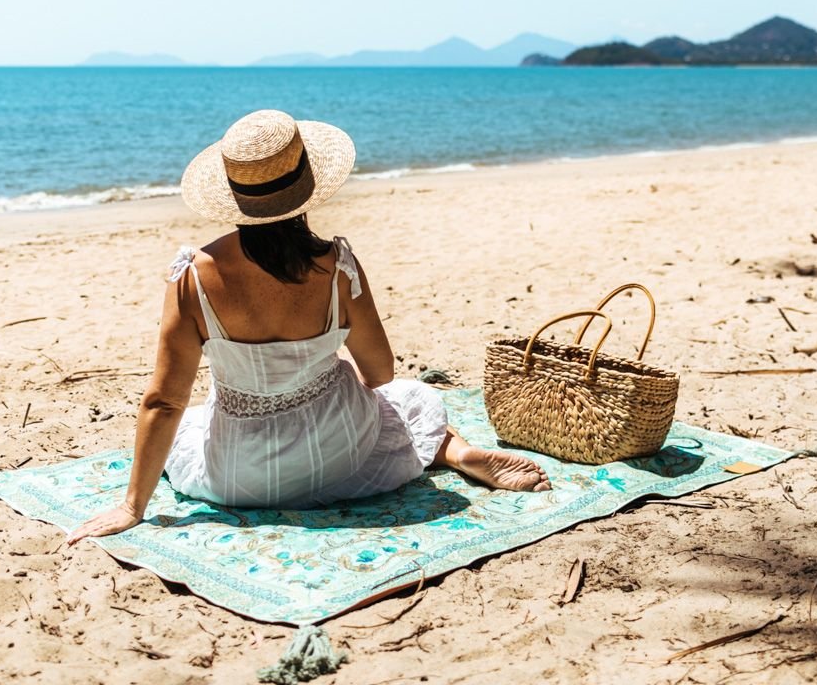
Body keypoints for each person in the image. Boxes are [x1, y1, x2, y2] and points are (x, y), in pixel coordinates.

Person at [67, 110, 549, 545]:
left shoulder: (193, 275)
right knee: (408, 400)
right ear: (307, 185)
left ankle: (448, 450)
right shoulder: (337, 266)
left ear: (235, 195)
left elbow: (163, 401)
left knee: (191, 423)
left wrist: (133, 506)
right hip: (339, 452)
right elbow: (380, 371)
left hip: (238, 476)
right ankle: (460, 454)